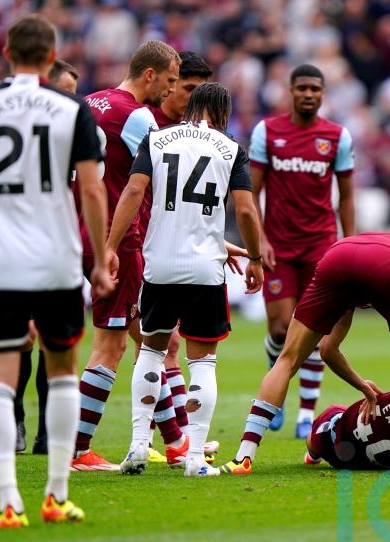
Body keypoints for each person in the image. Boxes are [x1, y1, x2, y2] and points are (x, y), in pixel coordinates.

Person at [0, 14, 113, 527]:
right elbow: (92, 189)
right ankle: (55, 494)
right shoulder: (72, 109)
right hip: (56, 260)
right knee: (62, 372)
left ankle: (8, 502)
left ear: (7, 53)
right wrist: (101, 257)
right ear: (51, 54)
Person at [106, 82, 263, 477]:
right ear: (223, 112)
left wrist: (110, 246)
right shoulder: (230, 148)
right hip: (205, 270)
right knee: (203, 362)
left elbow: (134, 190)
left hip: (159, 266)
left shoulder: (157, 139)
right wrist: (256, 257)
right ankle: (194, 459)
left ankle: (137, 447)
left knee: (151, 352)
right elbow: (245, 210)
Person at [221, 232, 390, 476]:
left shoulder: (347, 293)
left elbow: (327, 350)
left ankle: (244, 456)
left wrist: (363, 386)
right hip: (383, 260)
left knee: (286, 360)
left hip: (336, 258)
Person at [70, 40, 179, 472]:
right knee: (110, 346)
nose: (170, 91)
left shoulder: (87, 104)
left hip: (78, 230)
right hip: (118, 241)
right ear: (149, 74)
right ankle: (77, 450)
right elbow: (154, 182)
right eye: (169, 80)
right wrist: (114, 246)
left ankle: (177, 442)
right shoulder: (138, 116)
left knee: (152, 340)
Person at [250, 64, 356, 439]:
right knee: (280, 327)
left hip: (320, 245)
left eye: (315, 89)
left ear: (322, 94)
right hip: (278, 246)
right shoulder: (267, 131)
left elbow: (347, 196)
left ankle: (306, 414)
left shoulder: (337, 137)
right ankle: (276, 389)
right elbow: (251, 192)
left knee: (314, 328)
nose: (308, 94)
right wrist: (259, 239)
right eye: (302, 88)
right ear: (291, 91)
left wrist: (349, 244)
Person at [142, 51, 214, 464]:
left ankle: (172, 440)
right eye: (187, 88)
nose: (194, 99)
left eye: (201, 91)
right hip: (146, 247)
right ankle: (174, 440)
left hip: (174, 250)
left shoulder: (197, 137)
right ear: (169, 84)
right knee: (154, 345)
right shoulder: (149, 126)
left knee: (160, 346)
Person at [13, 58, 80, 457]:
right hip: (20, 246)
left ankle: (44, 432)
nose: (72, 99)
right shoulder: (24, 135)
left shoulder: (76, 134)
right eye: (66, 91)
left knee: (53, 343)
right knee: (24, 338)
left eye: (74, 92)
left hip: (60, 249)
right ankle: (17, 418)